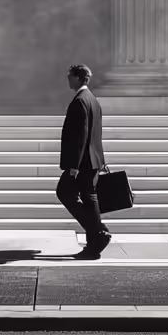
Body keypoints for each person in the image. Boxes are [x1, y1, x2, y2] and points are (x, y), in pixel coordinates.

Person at [56, 64, 111, 259]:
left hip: (83, 163)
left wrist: (73, 166)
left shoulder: (80, 101)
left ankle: (98, 233)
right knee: (88, 198)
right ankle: (95, 240)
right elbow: (96, 134)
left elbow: (81, 136)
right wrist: (101, 159)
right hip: (93, 160)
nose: (68, 79)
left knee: (66, 192)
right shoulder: (93, 100)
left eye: (70, 76)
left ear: (78, 78)